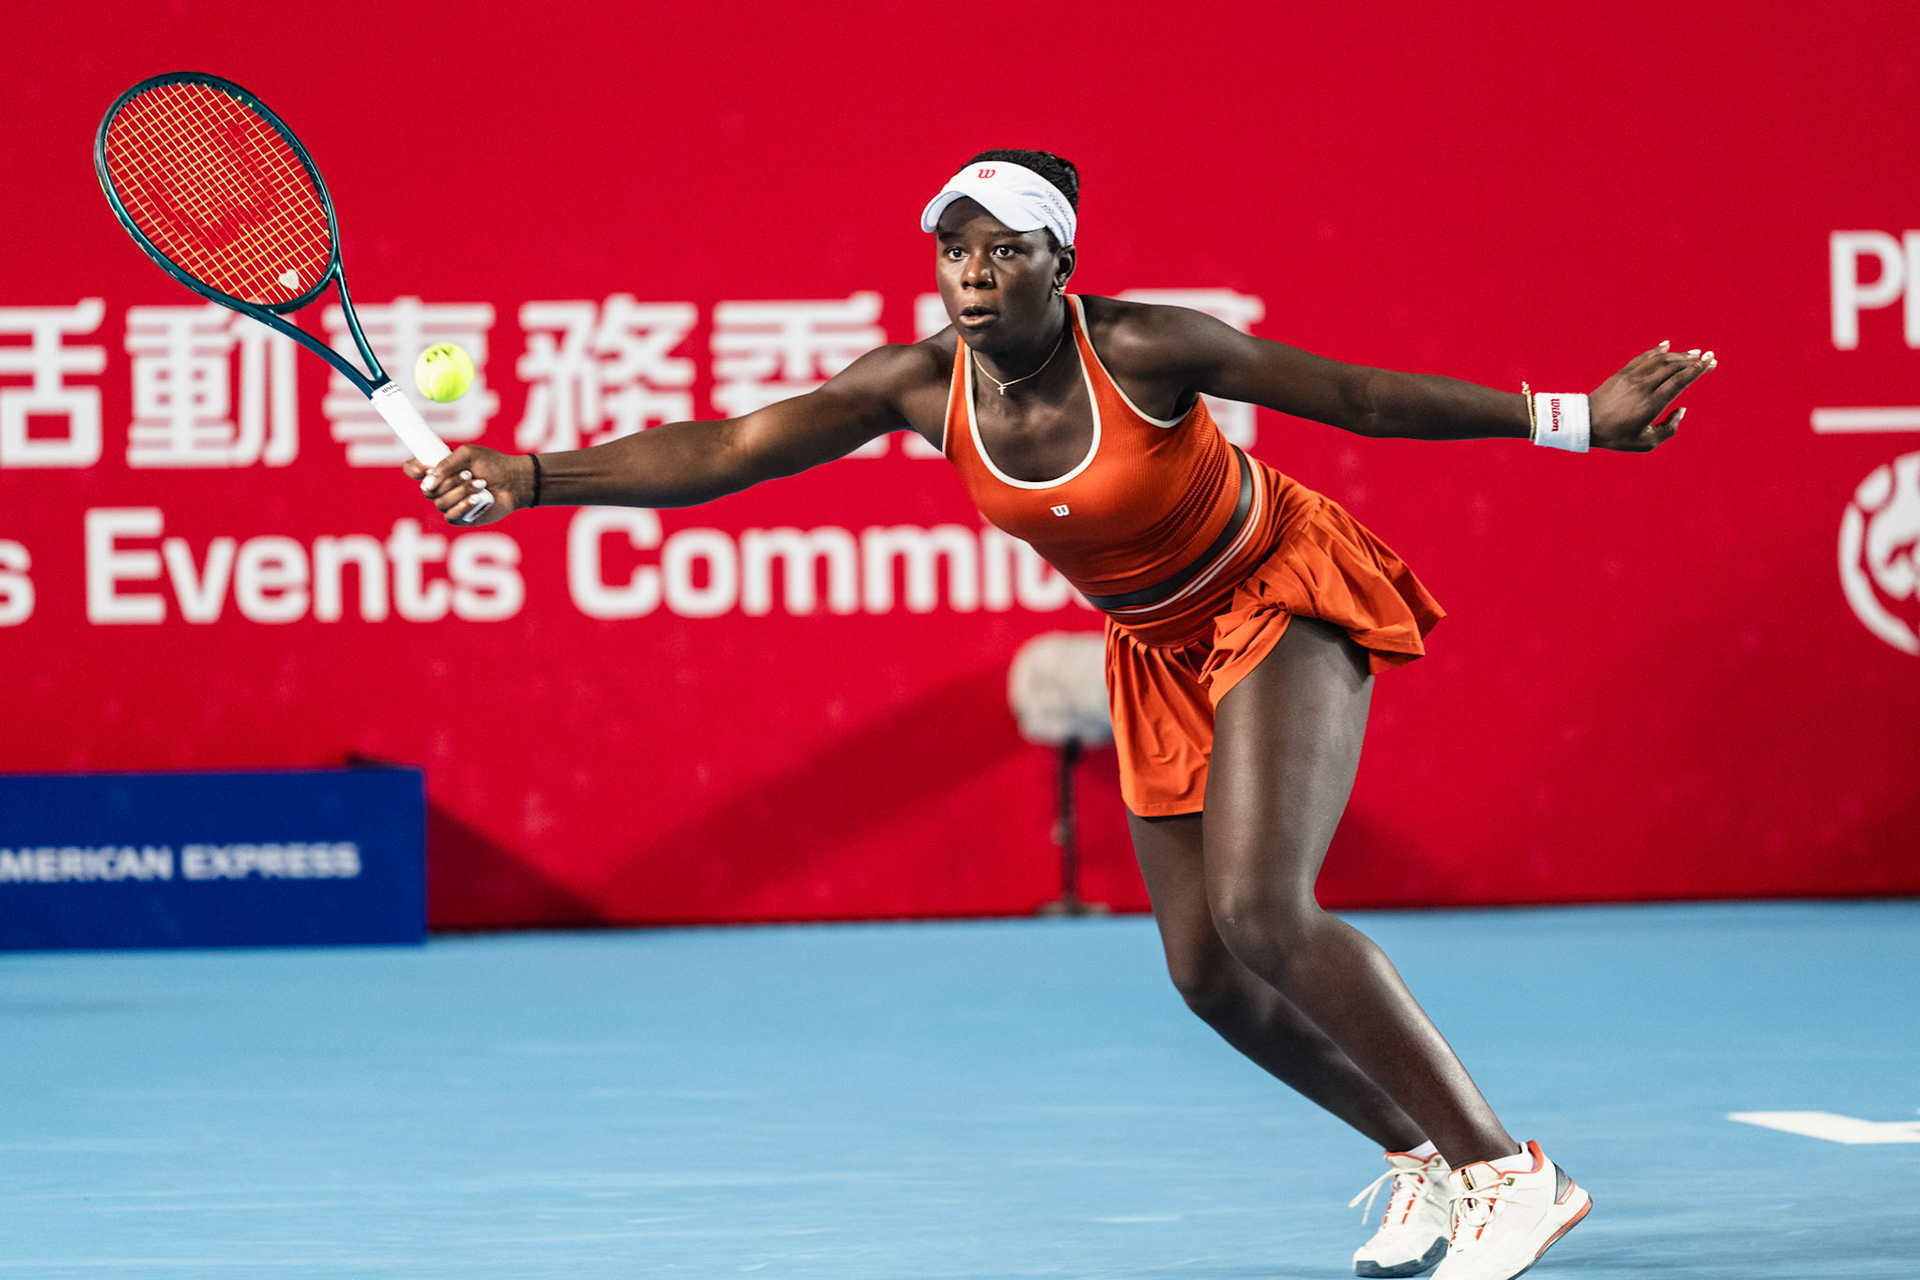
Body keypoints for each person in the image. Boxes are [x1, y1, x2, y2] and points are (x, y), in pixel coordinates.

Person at [407, 149, 1712, 1280]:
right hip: (1155, 645)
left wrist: (1575, 422)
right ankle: (1418, 1155)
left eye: (1001, 250)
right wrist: (533, 475)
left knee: (1268, 912)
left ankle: (1508, 1174)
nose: (971, 274)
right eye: (952, 252)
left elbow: (1359, 398)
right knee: (1209, 976)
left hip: (1279, 590)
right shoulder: (919, 385)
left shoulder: (1146, 347)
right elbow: (736, 446)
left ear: (1060, 262)